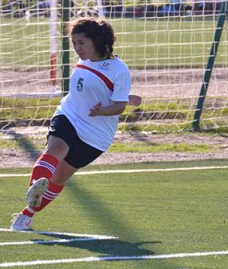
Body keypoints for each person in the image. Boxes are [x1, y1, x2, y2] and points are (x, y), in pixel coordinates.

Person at [11, 16, 141, 231]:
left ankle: (28, 213)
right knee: (56, 148)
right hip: (69, 115)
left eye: (81, 42)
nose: (77, 48)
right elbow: (87, 90)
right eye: (74, 43)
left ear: (97, 40)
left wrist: (111, 106)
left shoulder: (118, 69)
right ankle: (35, 186)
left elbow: (117, 106)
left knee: (60, 176)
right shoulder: (83, 61)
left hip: (96, 135)